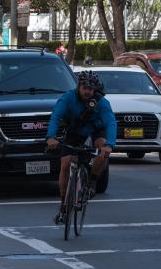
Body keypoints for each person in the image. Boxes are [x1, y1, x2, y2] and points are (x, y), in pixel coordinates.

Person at [46, 70, 117, 224]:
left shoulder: (102, 102)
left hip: (96, 128)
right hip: (76, 130)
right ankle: (64, 205)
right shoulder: (67, 98)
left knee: (102, 149)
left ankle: (92, 182)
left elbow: (111, 122)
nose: (87, 92)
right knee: (65, 164)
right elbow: (56, 117)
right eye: (84, 88)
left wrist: (109, 145)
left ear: (95, 90)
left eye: (90, 89)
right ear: (78, 87)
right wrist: (51, 137)